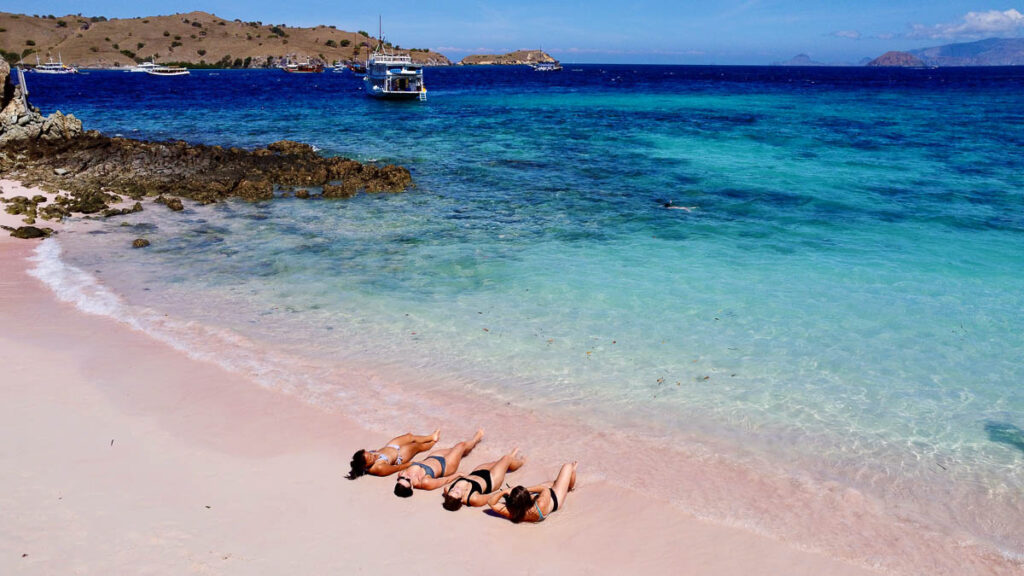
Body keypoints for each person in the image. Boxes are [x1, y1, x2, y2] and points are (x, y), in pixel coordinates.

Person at [394, 428, 484, 497]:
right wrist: (458, 474)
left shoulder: (402, 473)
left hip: (433, 457)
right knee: (461, 446)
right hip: (446, 465)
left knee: (455, 449)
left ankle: (466, 449)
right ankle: (476, 439)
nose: (407, 476)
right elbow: (444, 480)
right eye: (408, 480)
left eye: (403, 478)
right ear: (412, 487)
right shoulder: (425, 482)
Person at [488, 462, 577, 523]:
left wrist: (505, 491)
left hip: (542, 498)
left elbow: (491, 502)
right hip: (555, 498)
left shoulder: (513, 511)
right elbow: (545, 489)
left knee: (554, 482)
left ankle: (561, 481)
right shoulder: (540, 504)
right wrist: (525, 490)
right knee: (568, 466)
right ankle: (571, 486)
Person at [441, 447, 525, 511]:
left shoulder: (447, 489)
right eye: (457, 492)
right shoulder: (473, 498)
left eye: (452, 491)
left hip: (477, 472)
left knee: (497, 463)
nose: (456, 489)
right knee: (506, 459)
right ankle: (522, 461)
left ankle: (513, 456)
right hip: (492, 479)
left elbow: (447, 483)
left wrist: (457, 474)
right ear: (461, 499)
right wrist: (505, 491)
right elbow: (490, 498)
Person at [347, 430, 440, 479]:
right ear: (365, 466)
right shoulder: (379, 468)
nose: (373, 456)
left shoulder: (366, 456)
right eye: (371, 459)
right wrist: (410, 464)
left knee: (409, 436)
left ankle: (431, 437)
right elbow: (396, 468)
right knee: (416, 446)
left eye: (370, 454)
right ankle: (433, 443)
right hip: (399, 457)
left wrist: (375, 452)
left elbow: (375, 452)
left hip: (390, 447)